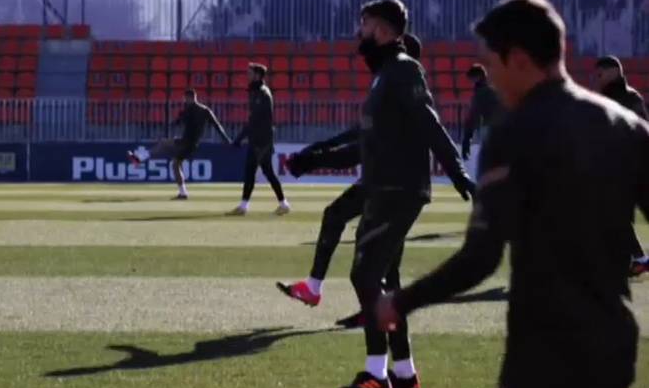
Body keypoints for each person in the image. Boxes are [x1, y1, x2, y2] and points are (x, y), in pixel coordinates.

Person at [376, 0, 646, 388]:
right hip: (612, 346)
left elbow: (480, 258)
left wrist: (401, 302)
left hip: (545, 351)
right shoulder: (627, 128)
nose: (492, 80)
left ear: (519, 59)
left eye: (494, 64)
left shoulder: (514, 134)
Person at [316, 0, 474, 388]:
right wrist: (318, 159)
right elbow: (372, 142)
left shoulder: (403, 69)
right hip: (386, 187)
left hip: (397, 190)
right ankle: (403, 371)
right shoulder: (386, 73)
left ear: (383, 30)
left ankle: (375, 373)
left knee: (364, 276)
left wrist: (458, 173)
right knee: (386, 279)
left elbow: (430, 123)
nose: (359, 31)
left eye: (364, 24)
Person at [279, 33, 467, 326]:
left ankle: (370, 321)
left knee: (359, 238)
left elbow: (364, 146)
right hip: (390, 183)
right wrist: (317, 151)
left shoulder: (400, 84)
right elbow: (360, 134)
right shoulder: (393, 86)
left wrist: (315, 157)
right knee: (383, 254)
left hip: (390, 184)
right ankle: (375, 317)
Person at [593, 56, 649, 277]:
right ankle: (633, 259)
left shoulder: (629, 98)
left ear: (615, 71)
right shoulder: (605, 98)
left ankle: (637, 258)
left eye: (600, 74)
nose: (597, 79)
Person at [128, 88, 232, 199]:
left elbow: (177, 122)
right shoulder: (206, 110)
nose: (184, 101)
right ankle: (183, 193)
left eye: (185, 98)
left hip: (185, 143)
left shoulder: (188, 110)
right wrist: (226, 139)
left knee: (164, 146)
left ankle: (139, 159)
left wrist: (175, 121)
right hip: (192, 144)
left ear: (189, 97)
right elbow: (217, 126)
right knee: (175, 163)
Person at [229, 63, 290, 216]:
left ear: (257, 75)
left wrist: (239, 138)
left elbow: (255, 120)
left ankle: (244, 206)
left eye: (249, 73)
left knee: (252, 171)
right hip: (260, 139)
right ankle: (283, 204)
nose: (247, 76)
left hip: (261, 140)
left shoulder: (262, 93)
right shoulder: (257, 91)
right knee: (267, 172)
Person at [461, 64, 504, 160]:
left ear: (477, 78)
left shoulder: (481, 93)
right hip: (501, 128)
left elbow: (473, 115)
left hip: (490, 128)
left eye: (471, 79)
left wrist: (467, 138)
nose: (471, 82)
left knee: (489, 161)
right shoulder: (493, 89)